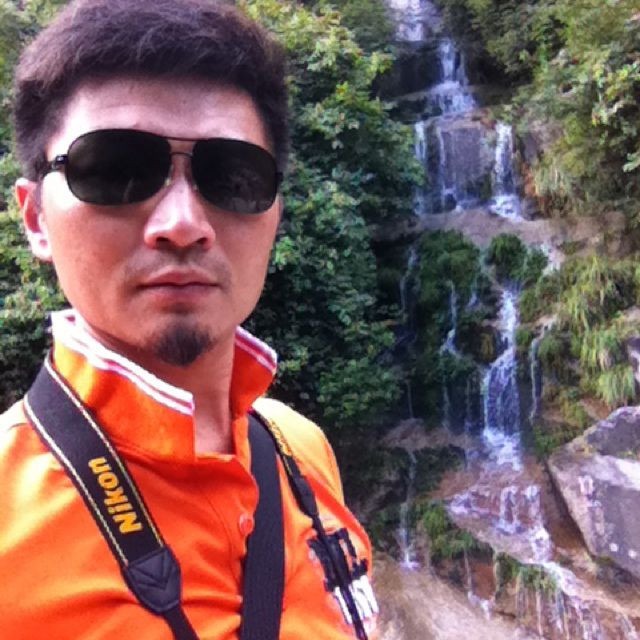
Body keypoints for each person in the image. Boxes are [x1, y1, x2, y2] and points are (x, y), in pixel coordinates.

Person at [0, 1, 378, 638]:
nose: (182, 224)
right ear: (35, 218)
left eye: (232, 176)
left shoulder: (301, 449)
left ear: (275, 214)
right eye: (114, 171)